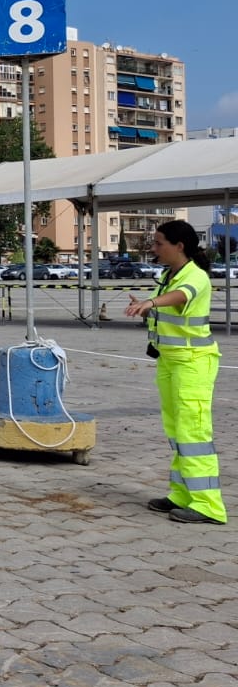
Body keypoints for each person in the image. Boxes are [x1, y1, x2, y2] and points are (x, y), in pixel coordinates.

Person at [124, 219, 225, 525]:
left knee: (193, 433)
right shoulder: (169, 274)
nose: (153, 248)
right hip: (171, 361)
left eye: (158, 243)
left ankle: (208, 505)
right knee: (177, 431)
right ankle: (182, 495)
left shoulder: (195, 276)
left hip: (193, 363)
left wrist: (150, 302)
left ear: (179, 246)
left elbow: (182, 296)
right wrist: (149, 307)